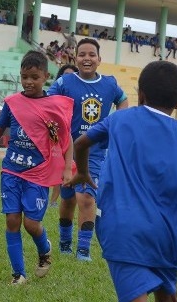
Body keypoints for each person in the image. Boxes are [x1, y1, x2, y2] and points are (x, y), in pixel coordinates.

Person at [65, 60, 177, 301]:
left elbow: (80, 143)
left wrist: (81, 171)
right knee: (168, 295)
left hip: (123, 230)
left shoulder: (119, 120)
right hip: (167, 234)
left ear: (140, 95)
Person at [0, 50, 74, 284]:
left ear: (46, 76)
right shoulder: (13, 103)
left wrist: (67, 168)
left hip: (37, 175)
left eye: (34, 77)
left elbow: (66, 140)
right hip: (11, 172)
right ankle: (19, 274)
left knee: (31, 223)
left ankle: (44, 250)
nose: (28, 82)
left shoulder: (53, 107)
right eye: (24, 77)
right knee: (12, 221)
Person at [47, 38, 128, 261]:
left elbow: (123, 100)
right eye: (82, 54)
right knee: (68, 199)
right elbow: (47, 103)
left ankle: (83, 250)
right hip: (68, 151)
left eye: (92, 55)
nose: (87, 58)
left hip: (95, 152)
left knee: (86, 199)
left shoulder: (110, 84)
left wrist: (116, 122)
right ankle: (65, 243)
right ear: (75, 58)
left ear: (99, 59)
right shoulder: (65, 82)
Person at [49, 64, 78, 208]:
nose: (68, 78)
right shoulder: (53, 96)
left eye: (71, 75)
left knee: (64, 170)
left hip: (72, 141)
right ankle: (49, 199)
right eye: (65, 75)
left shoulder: (77, 100)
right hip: (54, 138)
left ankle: (55, 201)